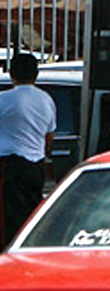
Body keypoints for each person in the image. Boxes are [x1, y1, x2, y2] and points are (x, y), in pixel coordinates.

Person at [0, 53, 55, 247]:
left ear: (11, 73)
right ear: (36, 74)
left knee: (7, 219)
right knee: (30, 216)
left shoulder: (4, 99)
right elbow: (49, 137)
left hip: (9, 166)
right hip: (36, 167)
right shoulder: (46, 100)